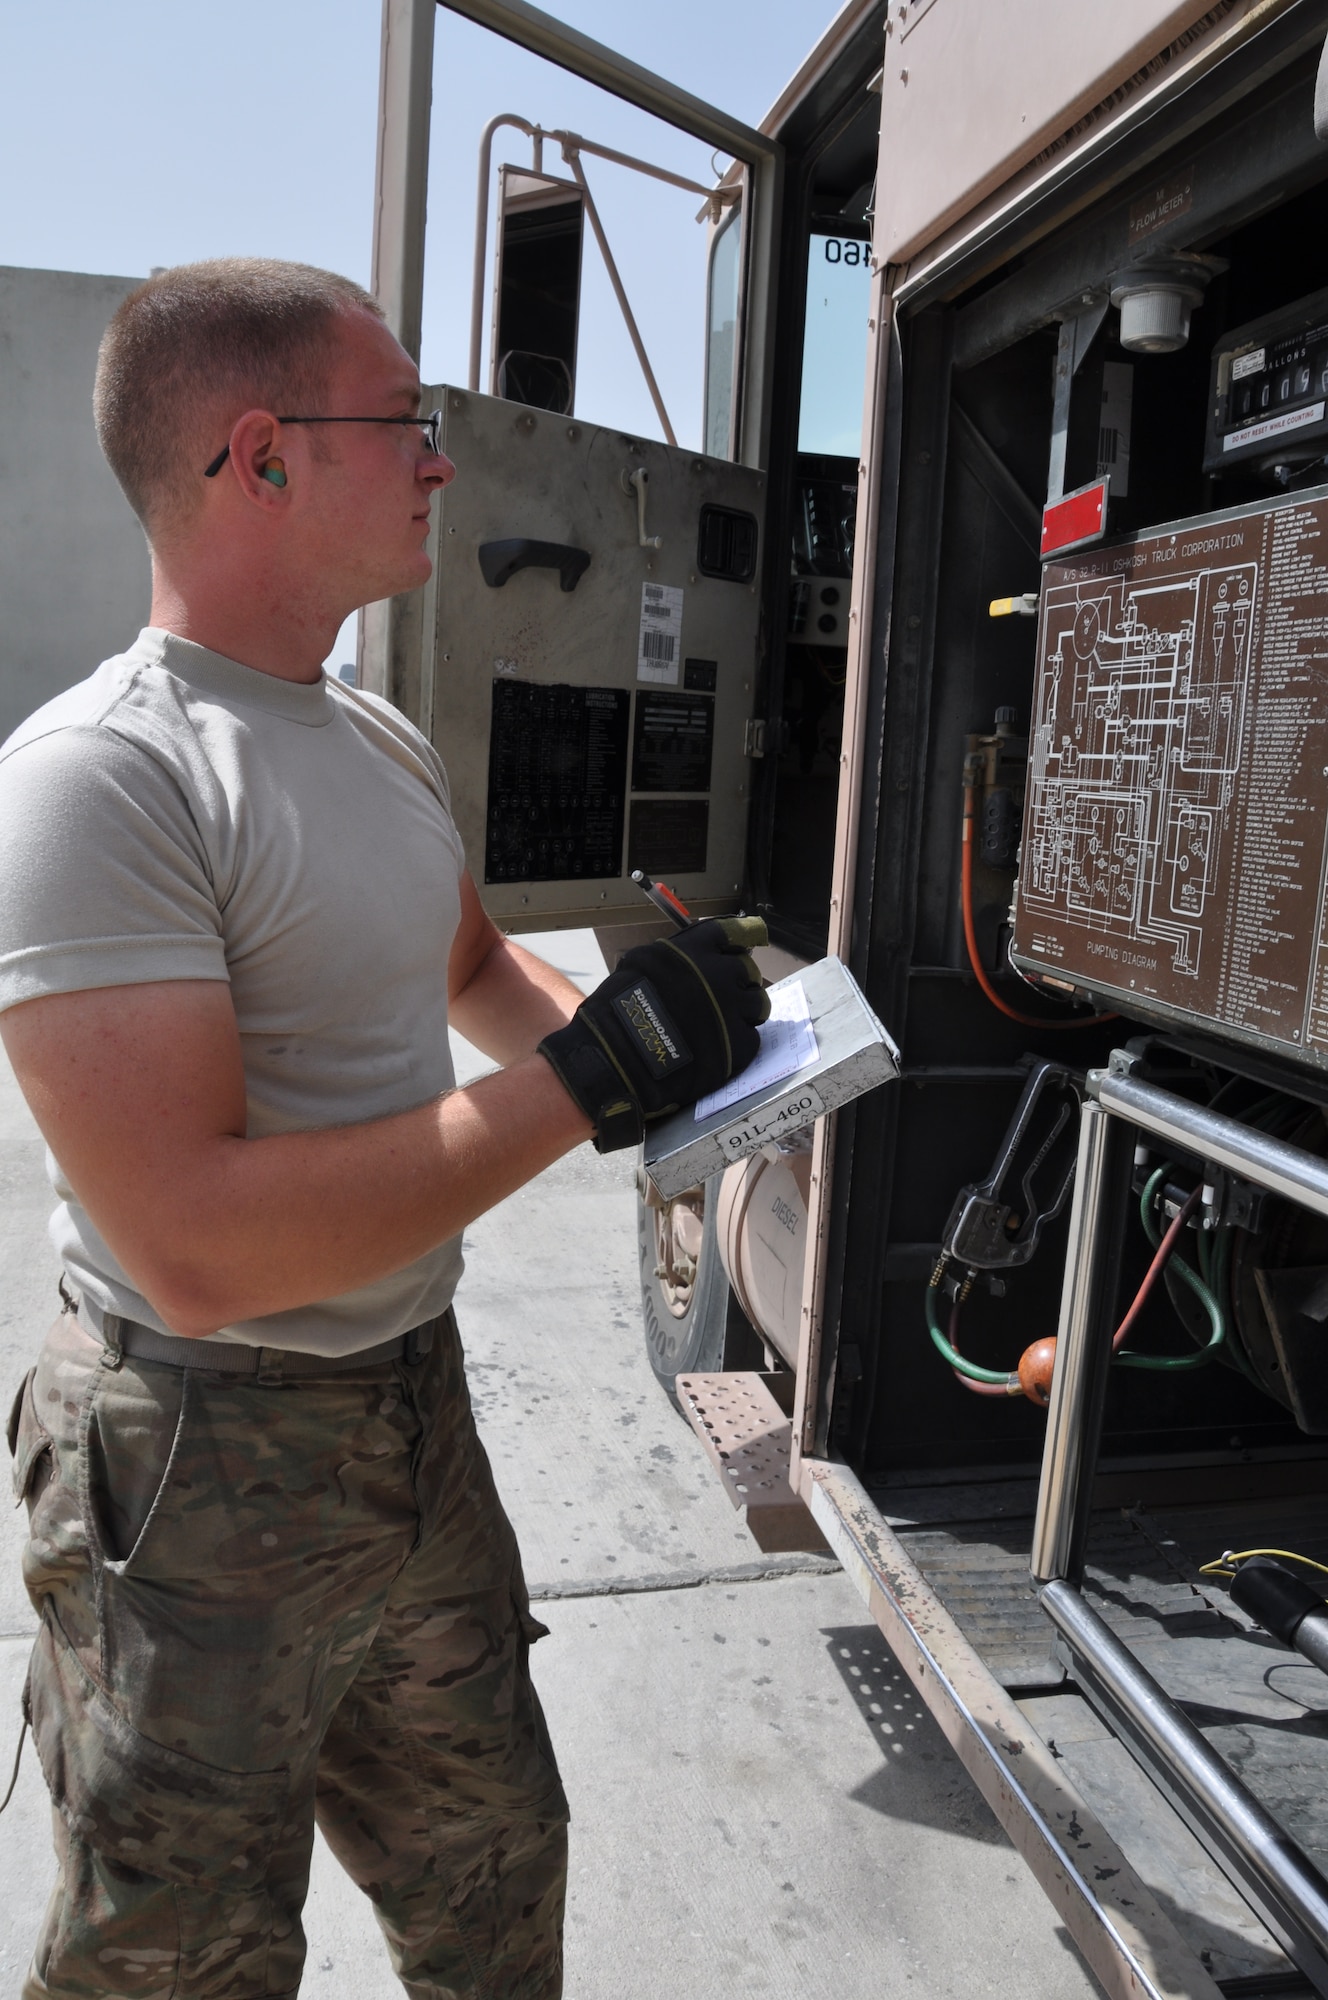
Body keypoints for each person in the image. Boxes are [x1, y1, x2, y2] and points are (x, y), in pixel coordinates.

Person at [0, 258, 768, 2000]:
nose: (441, 462)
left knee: (497, 1883)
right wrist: (587, 1084)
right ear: (261, 458)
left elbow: (481, 969)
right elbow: (192, 1243)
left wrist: (711, 1070)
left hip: (413, 1414)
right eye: (404, 426)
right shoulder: (99, 780)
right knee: (179, 1959)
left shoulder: (376, 739)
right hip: (196, 1459)